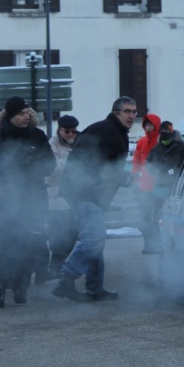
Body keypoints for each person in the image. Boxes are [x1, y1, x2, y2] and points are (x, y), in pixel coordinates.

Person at [54, 96, 136, 303]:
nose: (131, 115)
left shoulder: (115, 132)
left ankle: (95, 288)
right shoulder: (106, 131)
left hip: (91, 194)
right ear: (116, 112)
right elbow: (102, 168)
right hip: (83, 192)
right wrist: (126, 179)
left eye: (134, 111)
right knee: (94, 238)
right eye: (127, 111)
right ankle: (66, 278)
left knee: (94, 239)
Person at [0, 98, 55, 308]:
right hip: (4, 200)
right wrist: (11, 169)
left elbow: (49, 165)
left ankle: (21, 286)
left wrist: (31, 166)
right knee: (1, 242)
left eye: (27, 112)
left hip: (32, 199)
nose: (25, 117)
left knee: (26, 242)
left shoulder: (38, 135)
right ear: (10, 115)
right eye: (21, 113)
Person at [45, 114, 80, 277]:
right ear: (60, 130)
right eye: (67, 131)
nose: (71, 135)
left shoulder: (79, 143)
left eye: (73, 131)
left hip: (73, 197)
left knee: (73, 233)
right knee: (59, 235)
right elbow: (53, 169)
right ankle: (55, 265)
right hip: (56, 196)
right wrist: (74, 164)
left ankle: (58, 263)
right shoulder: (52, 146)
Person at [146, 126, 184, 245]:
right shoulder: (156, 148)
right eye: (163, 133)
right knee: (159, 215)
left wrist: (175, 172)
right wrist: (157, 172)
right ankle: (160, 241)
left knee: (177, 214)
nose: (165, 135)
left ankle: (179, 240)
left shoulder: (182, 147)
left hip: (178, 187)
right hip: (160, 187)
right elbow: (148, 163)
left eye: (167, 132)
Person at [131, 112, 161, 253]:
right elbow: (136, 161)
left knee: (158, 218)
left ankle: (159, 244)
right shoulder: (141, 142)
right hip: (144, 187)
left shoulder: (161, 140)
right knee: (144, 218)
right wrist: (135, 178)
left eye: (151, 125)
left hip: (160, 187)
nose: (148, 127)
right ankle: (149, 245)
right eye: (146, 125)